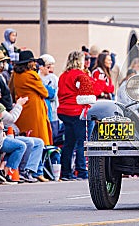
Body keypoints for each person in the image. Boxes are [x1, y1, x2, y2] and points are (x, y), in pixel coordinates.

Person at [57, 51, 95, 180]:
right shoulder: (80, 75)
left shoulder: (63, 75)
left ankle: (66, 172)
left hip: (64, 111)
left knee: (68, 143)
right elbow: (88, 92)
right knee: (82, 142)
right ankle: (82, 171)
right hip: (77, 111)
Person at [11, 50, 52, 145]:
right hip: (34, 111)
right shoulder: (31, 75)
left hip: (23, 109)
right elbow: (45, 93)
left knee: (26, 137)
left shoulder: (16, 74)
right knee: (38, 139)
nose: (35, 64)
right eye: (33, 61)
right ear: (29, 63)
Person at [38, 54, 60, 143]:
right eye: (48, 66)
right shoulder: (37, 77)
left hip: (53, 111)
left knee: (54, 135)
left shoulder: (54, 78)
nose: (50, 68)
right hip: (43, 110)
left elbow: (53, 95)